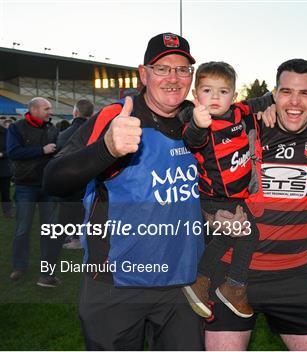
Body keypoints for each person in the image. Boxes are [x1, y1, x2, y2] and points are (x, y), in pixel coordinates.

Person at [43, 33, 205, 350]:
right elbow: (53, 179)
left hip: (184, 284)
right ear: (143, 74)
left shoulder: (198, 120)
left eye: (183, 69)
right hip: (115, 283)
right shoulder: (116, 117)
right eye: (162, 68)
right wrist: (106, 149)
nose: (174, 78)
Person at [205, 58, 307, 351]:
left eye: (305, 93)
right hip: (228, 272)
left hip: (293, 276)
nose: (295, 102)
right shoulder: (244, 131)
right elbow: (196, 178)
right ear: (274, 95)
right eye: (286, 91)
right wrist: (210, 216)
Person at [180, 61, 273, 319]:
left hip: (236, 196)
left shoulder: (237, 112)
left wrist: (275, 98)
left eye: (223, 92)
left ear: (233, 96)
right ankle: (234, 286)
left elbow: (257, 103)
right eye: (207, 90)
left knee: (227, 238)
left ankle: (200, 280)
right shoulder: (199, 121)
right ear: (195, 95)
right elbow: (192, 140)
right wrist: (198, 124)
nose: (215, 97)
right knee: (249, 234)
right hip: (215, 197)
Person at [7, 97, 60, 286]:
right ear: (34, 109)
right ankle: (19, 266)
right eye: (47, 109)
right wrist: (42, 150)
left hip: (47, 186)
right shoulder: (17, 127)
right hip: (25, 186)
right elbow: (13, 152)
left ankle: (47, 271)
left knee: (50, 230)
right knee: (23, 229)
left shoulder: (52, 129)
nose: (50, 112)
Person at [58, 99, 94, 250]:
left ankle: (71, 237)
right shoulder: (95, 131)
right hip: (88, 177)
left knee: (68, 210)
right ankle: (78, 237)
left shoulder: (64, 134)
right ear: (91, 114)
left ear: (75, 112)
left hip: (67, 178)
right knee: (86, 210)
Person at [0, 116, 14, 218]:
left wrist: (2, 154)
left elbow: (10, 149)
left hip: (3, 168)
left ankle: (7, 212)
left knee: (5, 192)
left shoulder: (6, 133)